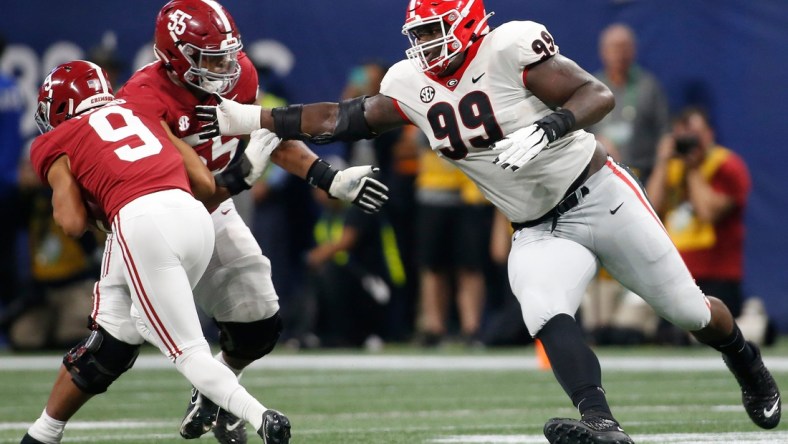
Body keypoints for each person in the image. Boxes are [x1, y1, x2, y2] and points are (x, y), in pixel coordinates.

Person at [198, 0, 782, 442]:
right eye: (417, 36)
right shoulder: (411, 84)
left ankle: (746, 362)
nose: (424, 46)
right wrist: (251, 116)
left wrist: (551, 126)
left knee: (688, 311)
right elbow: (343, 117)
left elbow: (596, 94)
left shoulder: (508, 49)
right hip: (536, 224)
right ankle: (601, 424)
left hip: (600, 193)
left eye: (433, 32)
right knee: (542, 307)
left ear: (469, 23)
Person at [116, 1, 389, 443]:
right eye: (210, 57)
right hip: (155, 216)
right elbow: (198, 186)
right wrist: (241, 177)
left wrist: (327, 177)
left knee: (260, 321)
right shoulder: (142, 99)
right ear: (174, 56)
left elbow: (266, 134)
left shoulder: (239, 74)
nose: (227, 66)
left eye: (229, 53)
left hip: (215, 206)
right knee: (112, 349)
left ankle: (216, 393)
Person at [21, 60, 290, 443]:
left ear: (59, 109)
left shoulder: (54, 142)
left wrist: (81, 187)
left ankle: (260, 415)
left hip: (141, 221)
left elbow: (71, 223)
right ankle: (42, 435)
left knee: (185, 349)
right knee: (117, 331)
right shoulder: (137, 107)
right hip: (196, 216)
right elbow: (200, 180)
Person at [582, 23, 670, 343]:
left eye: (624, 48)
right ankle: (598, 318)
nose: (618, 54)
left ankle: (640, 315)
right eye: (612, 48)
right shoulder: (590, 86)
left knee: (638, 248)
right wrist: (598, 141)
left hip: (639, 178)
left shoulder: (648, 87)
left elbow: (665, 135)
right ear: (603, 52)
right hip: (599, 180)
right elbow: (574, 132)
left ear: (632, 51)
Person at [646, 106, 754, 341]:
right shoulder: (671, 168)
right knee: (665, 336)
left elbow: (707, 212)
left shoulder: (727, 165)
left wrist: (693, 168)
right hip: (675, 272)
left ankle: (756, 323)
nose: (689, 142)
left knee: (713, 334)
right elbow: (649, 209)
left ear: (709, 134)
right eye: (682, 136)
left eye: (695, 134)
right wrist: (663, 162)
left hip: (716, 274)